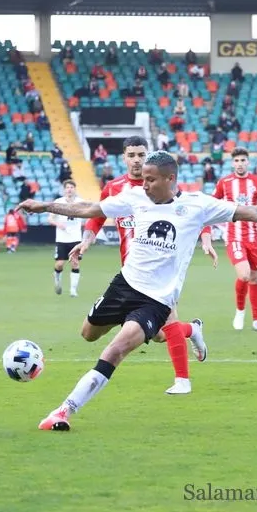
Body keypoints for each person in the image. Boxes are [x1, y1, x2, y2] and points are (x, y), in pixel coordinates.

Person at [17, 150, 257, 431]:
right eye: (143, 179)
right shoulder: (135, 198)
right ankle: (190, 330)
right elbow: (89, 209)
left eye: (151, 180)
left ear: (170, 179)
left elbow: (254, 212)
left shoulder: (198, 205)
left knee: (116, 350)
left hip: (156, 301)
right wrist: (44, 206)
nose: (144, 184)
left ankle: (64, 411)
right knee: (88, 334)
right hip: (124, 285)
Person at [73, 136, 218, 395]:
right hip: (131, 274)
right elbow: (97, 217)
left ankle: (182, 381)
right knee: (160, 334)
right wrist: (86, 241)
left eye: (141, 154)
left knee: (169, 319)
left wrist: (206, 240)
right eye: (132, 155)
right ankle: (193, 329)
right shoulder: (115, 188)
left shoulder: (163, 186)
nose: (137, 160)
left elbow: (196, 213)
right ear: (124, 158)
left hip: (162, 272)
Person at [212, 147, 257, 334]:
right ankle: (240, 311)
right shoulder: (224, 183)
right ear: (232, 163)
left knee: (255, 278)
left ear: (248, 162)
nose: (240, 164)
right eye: (236, 161)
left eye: (243, 160)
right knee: (244, 275)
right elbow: (210, 205)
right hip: (234, 237)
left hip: (253, 237)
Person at [50, 180, 84, 297]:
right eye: (67, 187)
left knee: (75, 263)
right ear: (64, 190)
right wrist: (58, 224)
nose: (69, 189)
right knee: (60, 264)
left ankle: (73, 290)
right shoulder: (58, 202)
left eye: (71, 187)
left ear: (75, 189)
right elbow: (50, 218)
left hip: (76, 238)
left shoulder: (80, 202)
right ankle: (57, 278)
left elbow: (89, 215)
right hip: (62, 239)